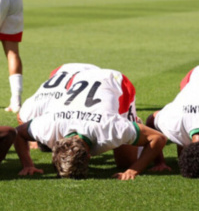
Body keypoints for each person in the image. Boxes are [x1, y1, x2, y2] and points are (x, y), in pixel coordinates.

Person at [15, 68, 167, 180]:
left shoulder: (109, 128)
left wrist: (134, 170)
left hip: (116, 82)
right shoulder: (48, 126)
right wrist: (28, 164)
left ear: (89, 156)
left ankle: (134, 123)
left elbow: (158, 138)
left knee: (126, 162)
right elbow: (18, 132)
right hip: (81, 77)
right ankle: (133, 129)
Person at [18, 63, 100, 124]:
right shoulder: (30, 109)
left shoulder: (29, 110)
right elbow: (20, 117)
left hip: (92, 72)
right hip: (63, 69)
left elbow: (20, 117)